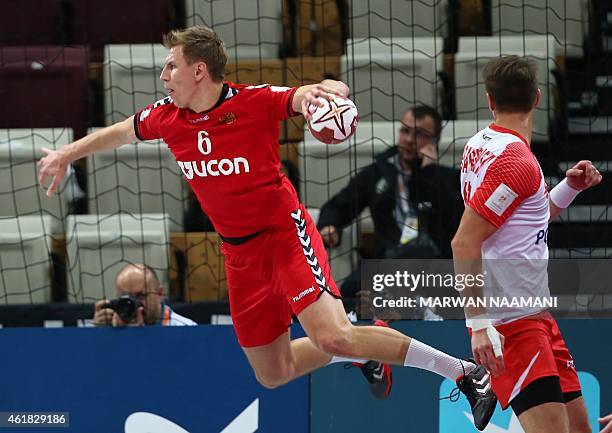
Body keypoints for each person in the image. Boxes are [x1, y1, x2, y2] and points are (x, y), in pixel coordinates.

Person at [39, 25, 496, 426]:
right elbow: (119, 131)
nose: (163, 76)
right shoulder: (167, 116)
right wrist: (65, 154)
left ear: (199, 70)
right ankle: (362, 348)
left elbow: (302, 95)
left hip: (284, 235)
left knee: (332, 334)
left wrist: (328, 91)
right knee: (273, 373)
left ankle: (463, 371)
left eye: (170, 67)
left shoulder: (253, 103)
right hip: (239, 256)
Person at [452, 55, 602, 433]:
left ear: (490, 100)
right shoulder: (516, 163)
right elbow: (464, 241)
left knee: (580, 429)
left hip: (536, 315)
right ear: (538, 98)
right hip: (510, 322)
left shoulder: (479, 145)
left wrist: (569, 189)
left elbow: (521, 221)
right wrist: (479, 323)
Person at [317, 105, 464, 299]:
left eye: (420, 134)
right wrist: (331, 227)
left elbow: (455, 223)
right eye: (405, 131)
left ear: (434, 141)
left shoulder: (450, 179)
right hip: (390, 262)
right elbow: (339, 205)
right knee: (351, 288)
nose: (410, 140)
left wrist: (429, 174)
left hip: (436, 265)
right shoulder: (379, 173)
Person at [92, 263, 196, 327]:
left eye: (140, 296)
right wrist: (98, 335)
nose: (132, 303)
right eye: (125, 297)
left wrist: (137, 337)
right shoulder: (110, 328)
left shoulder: (185, 329)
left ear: (159, 294)